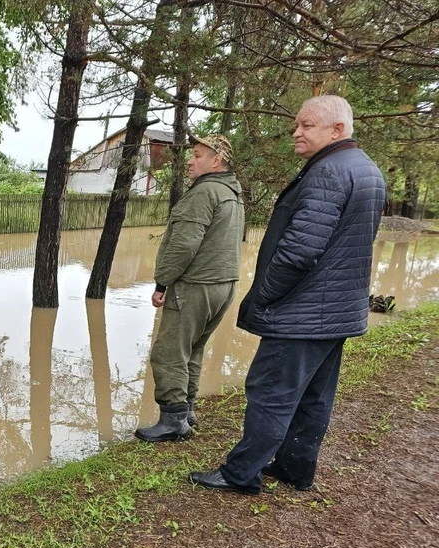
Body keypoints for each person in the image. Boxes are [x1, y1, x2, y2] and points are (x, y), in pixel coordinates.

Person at [190, 95, 386, 495]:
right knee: (314, 394)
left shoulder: (329, 172)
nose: (296, 132)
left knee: (271, 392)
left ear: (337, 129)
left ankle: (241, 473)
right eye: (296, 124)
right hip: (337, 311)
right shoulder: (365, 169)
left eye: (306, 125)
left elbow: (299, 251)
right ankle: (295, 469)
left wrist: (263, 295)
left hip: (303, 311)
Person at [135, 134, 245, 442]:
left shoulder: (204, 192)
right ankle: (187, 412)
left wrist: (162, 282)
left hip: (196, 285)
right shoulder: (232, 193)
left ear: (216, 160)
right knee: (192, 350)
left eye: (197, 155)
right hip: (224, 285)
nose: (190, 160)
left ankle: (173, 420)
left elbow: (182, 245)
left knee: (169, 352)